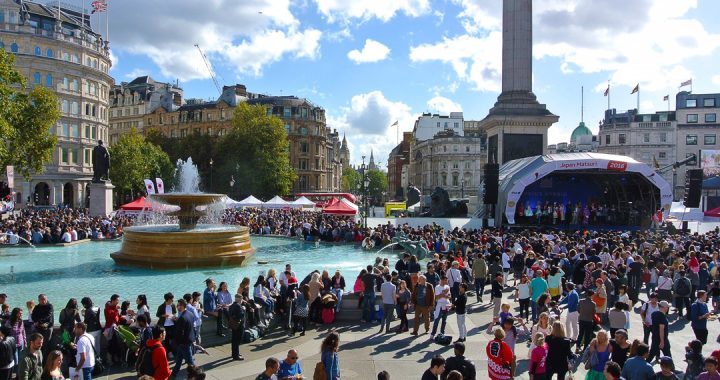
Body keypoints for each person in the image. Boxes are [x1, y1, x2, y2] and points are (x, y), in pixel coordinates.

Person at [171, 299, 196, 378]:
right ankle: (173, 374)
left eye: (178, 305)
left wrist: (177, 342)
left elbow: (179, 332)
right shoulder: (190, 314)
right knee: (178, 360)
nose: (177, 307)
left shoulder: (181, 317)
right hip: (189, 339)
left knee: (190, 363)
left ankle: (197, 375)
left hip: (184, 343)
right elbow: (190, 327)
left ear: (182, 306)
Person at [229, 294, 245, 361]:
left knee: (234, 340)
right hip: (239, 325)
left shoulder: (232, 305)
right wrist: (244, 309)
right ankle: (236, 356)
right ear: (239, 299)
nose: (242, 301)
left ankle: (234, 354)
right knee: (237, 340)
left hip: (233, 325)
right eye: (241, 299)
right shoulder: (238, 306)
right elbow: (240, 315)